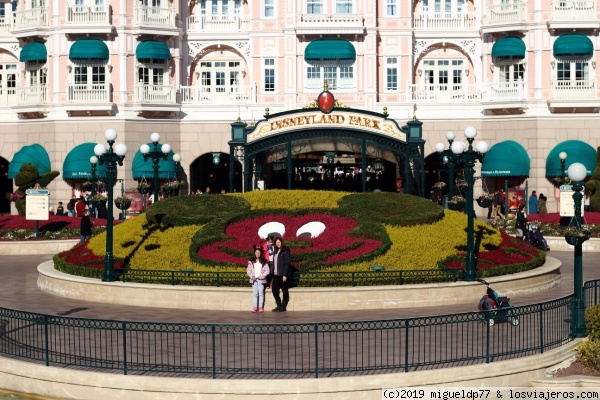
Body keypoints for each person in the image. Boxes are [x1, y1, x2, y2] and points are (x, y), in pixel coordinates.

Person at [246, 246, 270, 313]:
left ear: (261, 253)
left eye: (259, 253)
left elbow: (267, 270)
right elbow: (248, 270)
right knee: (255, 294)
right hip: (254, 280)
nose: (257, 254)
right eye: (256, 252)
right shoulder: (251, 261)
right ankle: (255, 307)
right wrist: (251, 276)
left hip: (260, 280)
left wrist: (261, 276)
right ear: (254, 253)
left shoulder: (264, 262)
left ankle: (260, 307)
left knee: (261, 293)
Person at [271, 237, 291, 312]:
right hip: (276, 274)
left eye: (279, 242)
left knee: (284, 290)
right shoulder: (276, 251)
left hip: (282, 274)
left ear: (281, 242)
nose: (278, 244)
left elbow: (287, 263)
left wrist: (284, 274)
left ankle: (283, 306)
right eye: (276, 243)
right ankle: (278, 305)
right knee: (274, 290)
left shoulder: (285, 250)